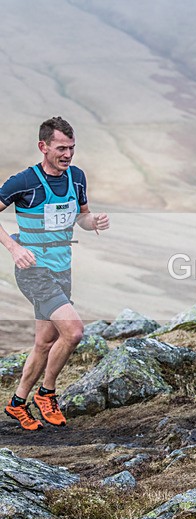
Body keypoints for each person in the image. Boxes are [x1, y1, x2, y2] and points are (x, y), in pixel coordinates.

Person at [0, 117, 110, 431]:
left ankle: (17, 403)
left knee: (44, 343)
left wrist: (95, 223)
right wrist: (13, 248)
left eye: (72, 148)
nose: (68, 154)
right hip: (34, 271)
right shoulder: (24, 181)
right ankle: (46, 393)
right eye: (61, 148)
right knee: (73, 332)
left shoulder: (76, 177)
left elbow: (83, 218)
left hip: (63, 269)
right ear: (43, 147)